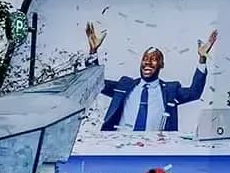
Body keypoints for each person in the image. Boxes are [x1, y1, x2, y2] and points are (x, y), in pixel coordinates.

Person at [87, 25, 218, 132]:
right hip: (121, 146)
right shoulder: (124, 85)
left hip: (154, 148)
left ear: (161, 65)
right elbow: (95, 82)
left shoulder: (171, 91)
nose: (148, 62)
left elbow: (194, 92)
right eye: (145, 59)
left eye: (154, 59)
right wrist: (93, 51)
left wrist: (202, 58)